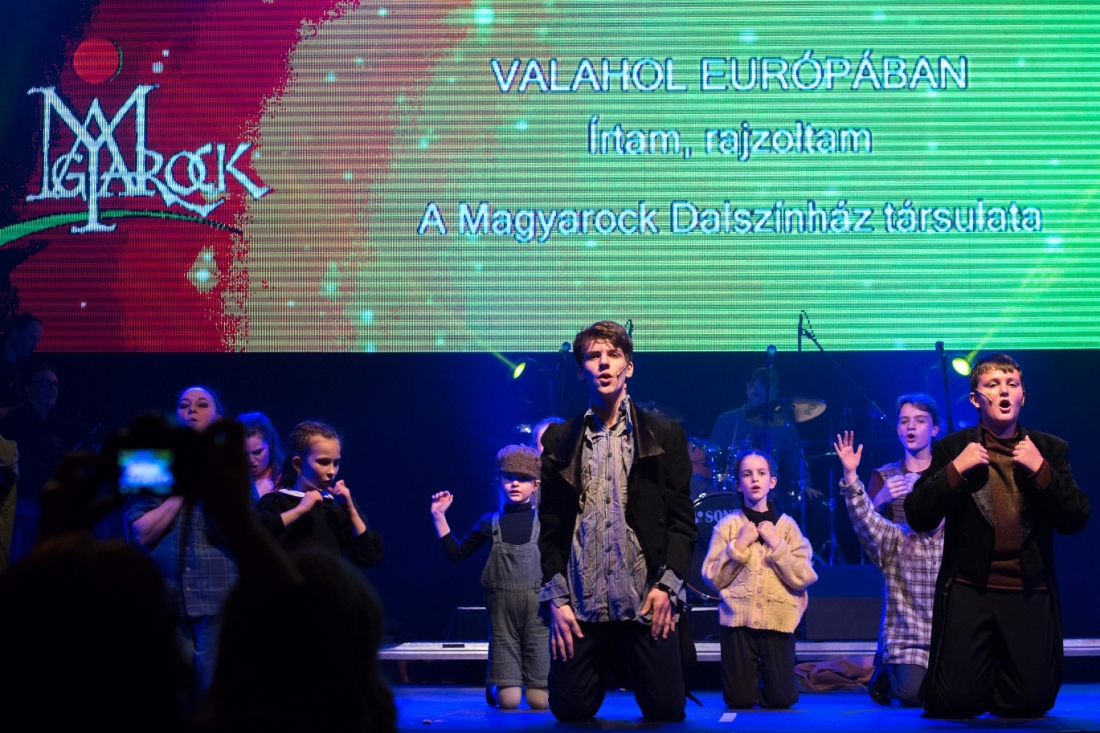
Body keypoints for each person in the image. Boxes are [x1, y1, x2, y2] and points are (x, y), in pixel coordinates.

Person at [905, 353, 1089, 718]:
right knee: (957, 703)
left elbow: (1075, 517)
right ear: (976, 399)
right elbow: (918, 516)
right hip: (970, 586)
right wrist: (955, 470)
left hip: (1027, 587)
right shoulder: (953, 449)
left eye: (1012, 384)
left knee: (1031, 702)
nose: (1004, 391)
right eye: (993, 384)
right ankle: (972, 680)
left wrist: (1042, 471)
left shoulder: (1050, 449)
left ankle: (998, 681)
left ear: (1023, 396)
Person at [538, 320, 696, 722]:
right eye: (594, 356)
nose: (604, 363)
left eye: (614, 354)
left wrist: (668, 587)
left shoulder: (663, 436)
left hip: (642, 602)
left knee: (666, 709)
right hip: (583, 607)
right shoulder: (560, 440)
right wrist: (557, 600)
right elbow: (550, 527)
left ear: (629, 367)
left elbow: (681, 522)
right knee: (569, 710)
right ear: (581, 371)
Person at [125, 385, 237, 694]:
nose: (192, 410)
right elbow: (140, 532)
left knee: (212, 690)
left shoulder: (232, 463)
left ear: (218, 418)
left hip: (216, 595)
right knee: (169, 691)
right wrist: (180, 491)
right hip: (166, 595)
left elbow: (241, 530)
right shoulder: (150, 460)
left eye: (202, 405)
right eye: (185, 405)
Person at [834, 404, 944, 707]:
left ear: (935, 428)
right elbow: (866, 520)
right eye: (905, 421)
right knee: (912, 689)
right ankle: (889, 667)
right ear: (897, 428)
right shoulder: (886, 474)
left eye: (920, 420)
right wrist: (878, 494)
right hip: (901, 556)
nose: (911, 427)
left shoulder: (946, 474)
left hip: (934, 557)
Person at [429, 444, 550, 710]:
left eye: (523, 478)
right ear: (500, 480)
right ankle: (497, 684)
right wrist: (439, 516)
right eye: (509, 477)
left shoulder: (545, 522)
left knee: (538, 701)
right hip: (502, 618)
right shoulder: (489, 522)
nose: (515, 483)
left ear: (536, 484)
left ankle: (529, 679)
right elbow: (457, 553)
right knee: (509, 702)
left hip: (538, 617)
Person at [702, 449, 817, 709]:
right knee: (739, 700)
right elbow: (712, 577)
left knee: (782, 699)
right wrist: (738, 546)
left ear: (772, 481)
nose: (755, 479)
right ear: (738, 484)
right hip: (738, 625)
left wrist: (777, 544)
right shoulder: (728, 526)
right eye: (747, 474)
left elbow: (804, 576)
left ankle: (773, 683)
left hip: (778, 624)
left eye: (761, 473)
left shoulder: (787, 527)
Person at [255, 420, 383, 567]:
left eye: (336, 463)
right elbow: (256, 535)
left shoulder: (336, 506)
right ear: (298, 464)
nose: (332, 471)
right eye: (323, 462)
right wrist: (300, 510)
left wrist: (351, 512)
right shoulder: (278, 501)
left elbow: (370, 556)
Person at [710, 367, 815, 510]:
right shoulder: (727, 421)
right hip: (731, 496)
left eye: (768, 399)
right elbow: (712, 461)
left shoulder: (784, 427)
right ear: (748, 389)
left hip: (772, 500)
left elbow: (796, 463)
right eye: (757, 396)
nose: (762, 404)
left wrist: (805, 484)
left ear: (776, 394)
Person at [1, 361, 64, 562]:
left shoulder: (46, 424)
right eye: (45, 383)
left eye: (55, 384)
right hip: (19, 504)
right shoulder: (18, 420)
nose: (52, 389)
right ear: (29, 389)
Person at [0, 313, 42, 416]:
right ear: (15, 333)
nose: (35, 346)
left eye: (37, 341)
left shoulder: (23, 369)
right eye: (31, 338)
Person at [237, 411, 283, 499]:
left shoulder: (282, 481)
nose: (251, 460)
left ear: (270, 445)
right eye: (244, 454)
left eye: (257, 452)